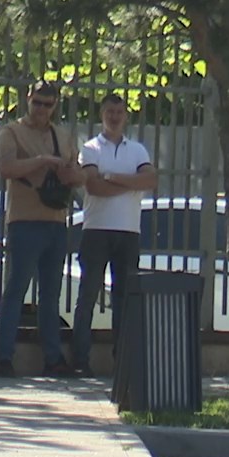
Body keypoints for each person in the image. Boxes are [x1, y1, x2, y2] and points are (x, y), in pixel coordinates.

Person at [0, 79, 82, 377]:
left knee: (51, 295)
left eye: (47, 104)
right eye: (37, 103)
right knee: (16, 289)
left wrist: (67, 172)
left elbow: (77, 174)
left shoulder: (63, 136)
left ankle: (53, 358)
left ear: (55, 105)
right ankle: (4, 356)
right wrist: (42, 161)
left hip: (56, 221)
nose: (41, 109)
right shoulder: (11, 132)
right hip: (24, 221)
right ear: (27, 99)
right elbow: (6, 169)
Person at [71, 93, 156, 374]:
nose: (115, 117)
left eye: (119, 112)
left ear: (126, 116)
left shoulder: (138, 150)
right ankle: (80, 361)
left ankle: (123, 363)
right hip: (96, 229)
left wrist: (114, 177)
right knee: (88, 296)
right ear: (102, 114)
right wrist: (132, 184)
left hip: (128, 231)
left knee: (125, 299)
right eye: (110, 112)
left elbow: (150, 180)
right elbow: (93, 187)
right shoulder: (91, 148)